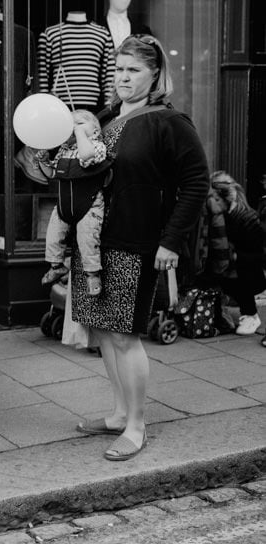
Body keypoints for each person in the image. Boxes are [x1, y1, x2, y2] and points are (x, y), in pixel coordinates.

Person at [72, 34, 209, 461]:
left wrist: (171, 241)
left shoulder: (169, 121)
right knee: (105, 334)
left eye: (133, 69)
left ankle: (136, 425)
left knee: (125, 336)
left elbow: (196, 184)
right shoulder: (107, 115)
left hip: (136, 243)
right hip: (96, 243)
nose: (123, 77)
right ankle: (117, 415)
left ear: (154, 74)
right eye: (119, 69)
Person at [38, 109, 111, 296]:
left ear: (95, 130)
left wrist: (79, 134)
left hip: (89, 204)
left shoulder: (97, 145)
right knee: (53, 236)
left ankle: (92, 273)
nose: (74, 127)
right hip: (64, 205)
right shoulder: (64, 150)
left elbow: (87, 157)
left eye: (80, 123)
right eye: (71, 124)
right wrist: (44, 163)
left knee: (88, 239)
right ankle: (56, 266)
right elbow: (53, 174)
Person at [201, 171, 265, 336]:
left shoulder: (247, 219)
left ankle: (250, 314)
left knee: (237, 271)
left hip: (247, 269)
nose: (211, 204)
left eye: (215, 199)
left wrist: (236, 256)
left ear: (224, 198)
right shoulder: (224, 215)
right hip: (234, 264)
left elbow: (261, 255)